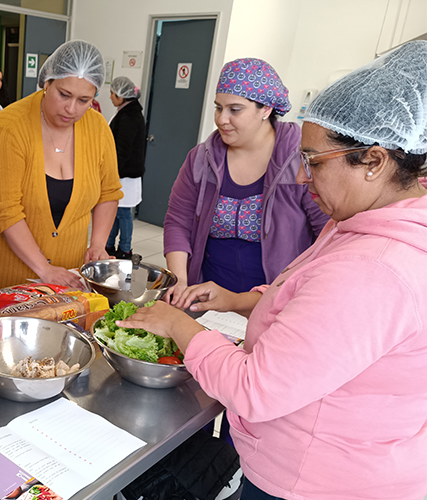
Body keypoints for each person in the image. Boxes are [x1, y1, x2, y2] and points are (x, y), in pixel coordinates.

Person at [119, 41, 427, 499]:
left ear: (375, 161)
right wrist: (237, 300)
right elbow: (305, 303)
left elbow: (255, 387)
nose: (302, 177)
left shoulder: (372, 270)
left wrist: (180, 326)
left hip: (320, 478)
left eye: (314, 163)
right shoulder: (359, 225)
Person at [163, 58, 329, 303]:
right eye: (218, 107)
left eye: (235, 109)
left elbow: (326, 233)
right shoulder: (202, 158)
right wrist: (181, 281)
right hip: (206, 294)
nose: (221, 119)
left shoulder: (300, 161)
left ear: (266, 109)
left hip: (274, 299)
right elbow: (178, 220)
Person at [0, 40, 122, 293]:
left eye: (83, 100)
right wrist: (44, 269)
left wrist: (98, 244)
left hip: (69, 271)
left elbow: (108, 192)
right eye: (63, 94)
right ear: (47, 82)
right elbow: (5, 210)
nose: (71, 108)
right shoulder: (9, 127)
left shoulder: (98, 129)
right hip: (10, 275)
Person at [105, 76, 146, 259]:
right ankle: (108, 245)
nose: (110, 97)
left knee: (123, 213)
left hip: (125, 175)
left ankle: (125, 249)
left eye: (112, 93)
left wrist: (112, 173)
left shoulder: (129, 116)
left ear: (121, 96)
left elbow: (123, 149)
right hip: (122, 173)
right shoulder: (126, 111)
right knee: (114, 211)